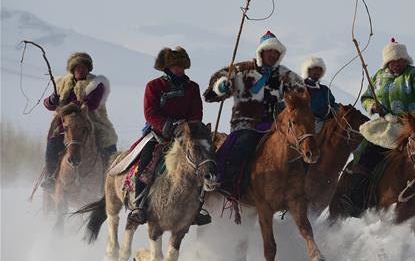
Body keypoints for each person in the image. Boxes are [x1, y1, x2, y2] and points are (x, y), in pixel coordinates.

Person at [337, 38, 415, 215]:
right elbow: (366, 97)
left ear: (405, 60)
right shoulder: (378, 77)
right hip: (385, 127)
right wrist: (373, 105)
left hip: (412, 127)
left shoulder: (413, 74)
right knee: (365, 155)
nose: (397, 64)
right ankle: (355, 198)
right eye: (393, 61)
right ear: (387, 62)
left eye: (400, 60)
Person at [203, 31, 304, 199]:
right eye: (270, 51)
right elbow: (217, 82)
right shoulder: (243, 70)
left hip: (275, 126)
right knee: (242, 145)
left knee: (300, 151)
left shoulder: (283, 76)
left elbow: (298, 94)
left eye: (276, 52)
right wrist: (222, 86)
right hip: (247, 124)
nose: (273, 55)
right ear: (261, 52)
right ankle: (226, 183)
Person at [128, 47, 207, 225]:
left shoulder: (192, 88)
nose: (179, 69)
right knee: (146, 163)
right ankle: (140, 206)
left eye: (182, 66)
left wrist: (188, 128)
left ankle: (197, 207)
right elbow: (150, 113)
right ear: (167, 67)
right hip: (159, 134)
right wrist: (169, 126)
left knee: (203, 161)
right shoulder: (154, 86)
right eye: (175, 66)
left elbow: (196, 112)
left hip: (185, 135)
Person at [42, 52, 118, 189]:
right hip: (65, 123)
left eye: (83, 67)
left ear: (88, 69)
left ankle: (110, 181)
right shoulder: (63, 83)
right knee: (52, 142)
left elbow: (91, 104)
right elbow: (48, 104)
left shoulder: (96, 83)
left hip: (91, 121)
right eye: (77, 67)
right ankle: (51, 177)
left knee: (109, 146)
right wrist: (52, 100)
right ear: (72, 69)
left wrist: (66, 106)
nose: (80, 70)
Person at [300, 56, 339, 123]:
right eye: (315, 68)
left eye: (320, 69)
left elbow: (333, 105)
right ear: (308, 70)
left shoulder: (325, 90)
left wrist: (342, 109)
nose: (317, 71)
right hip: (302, 123)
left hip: (322, 124)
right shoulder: (299, 87)